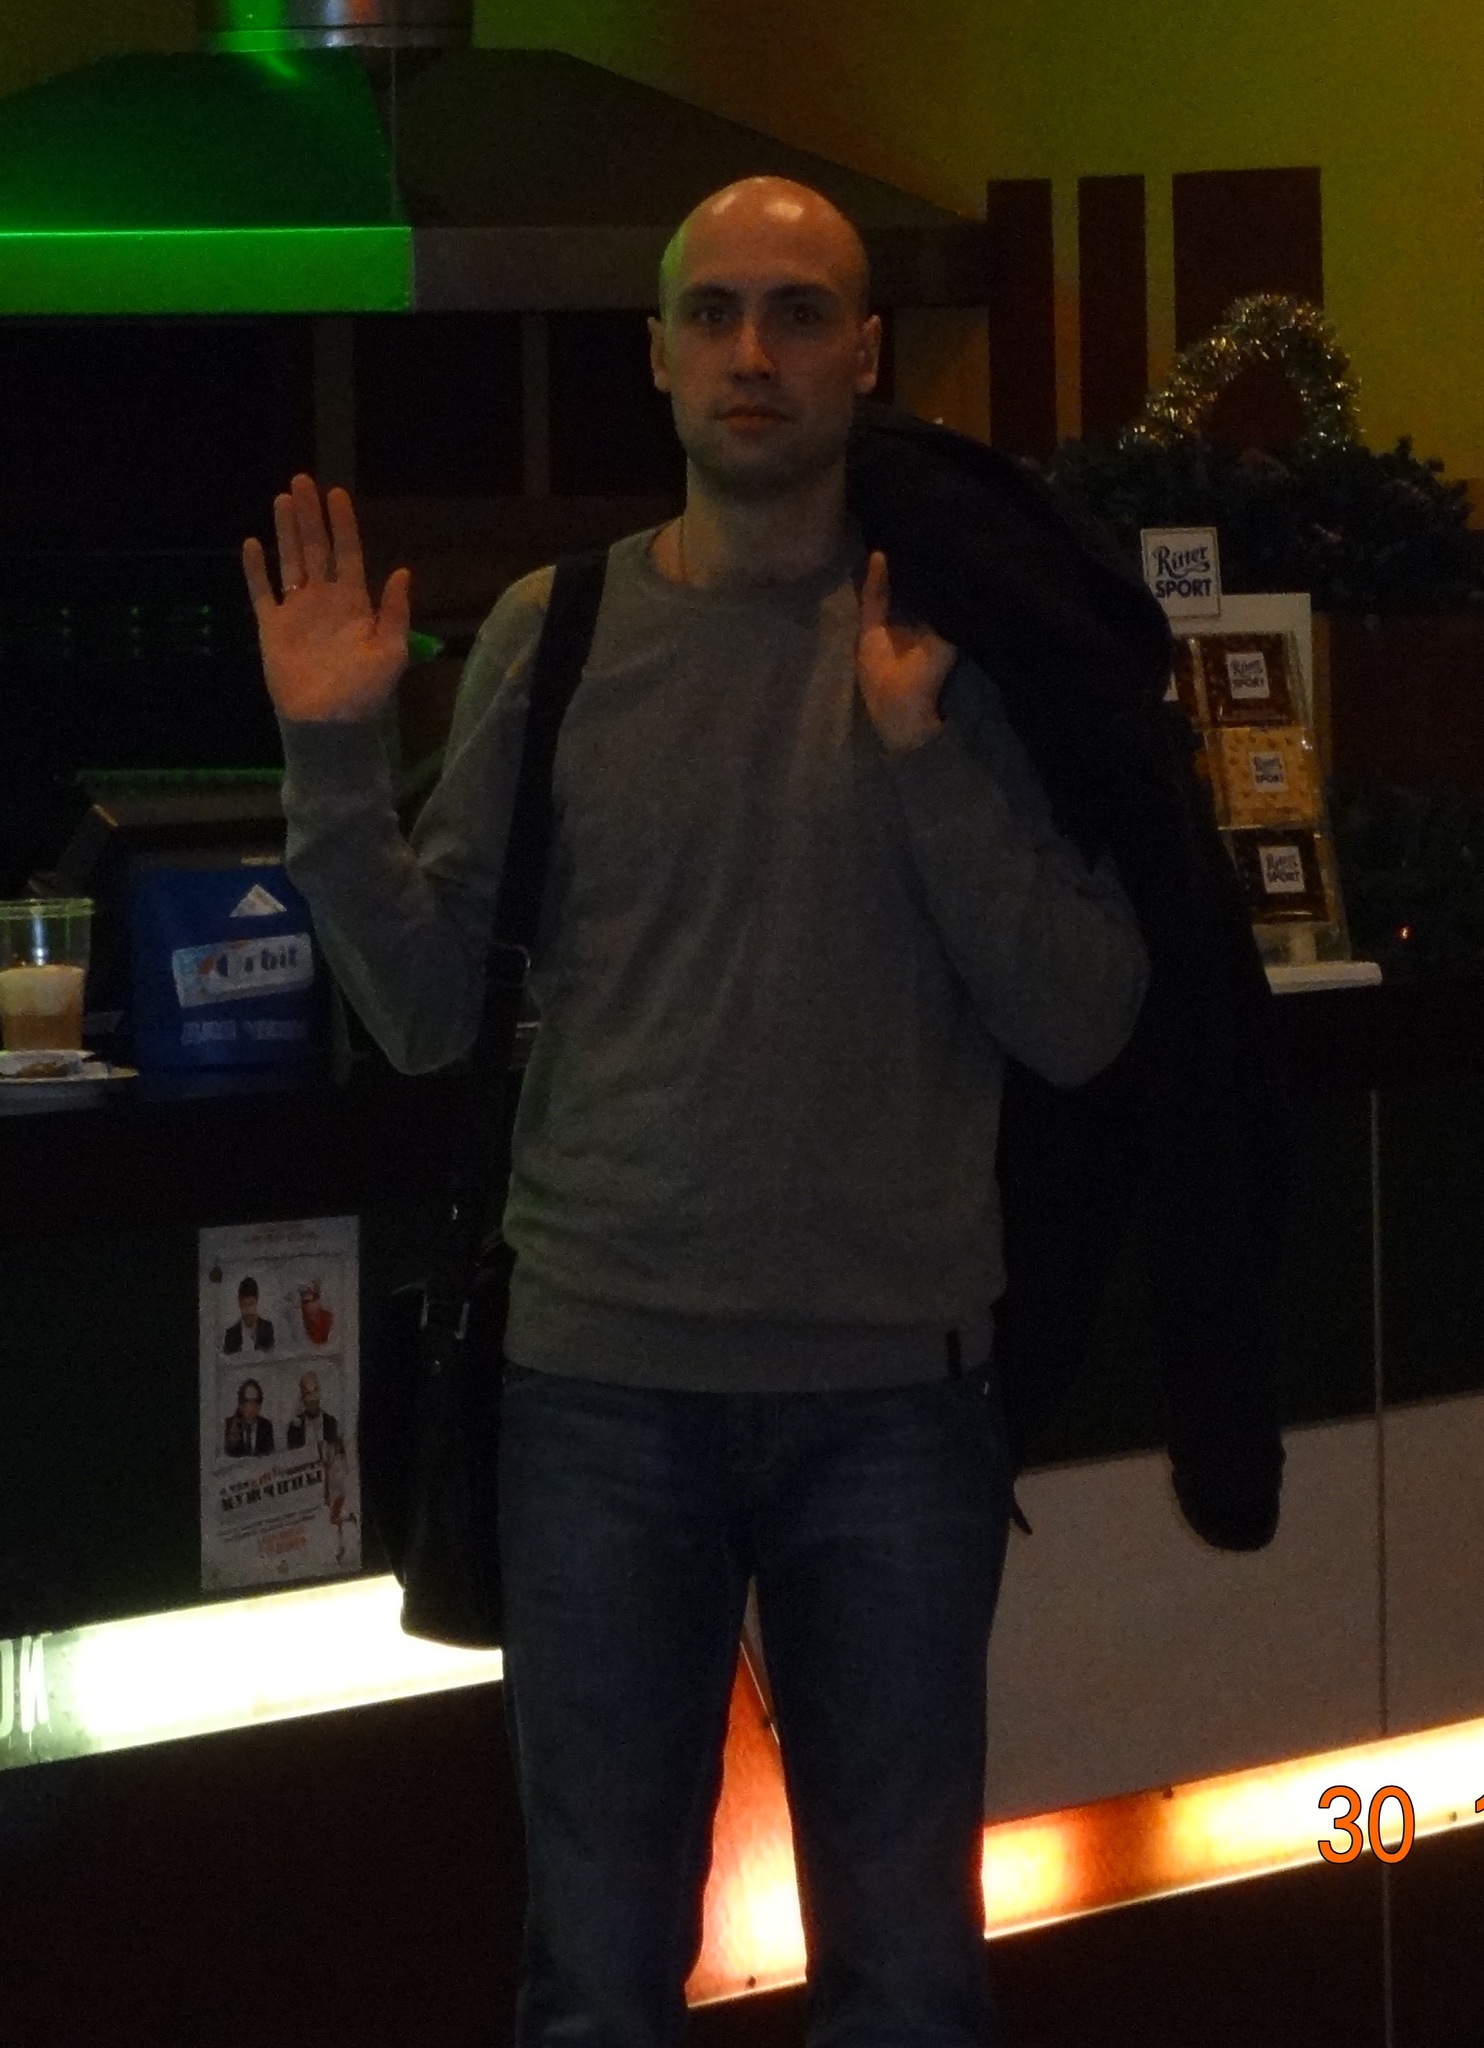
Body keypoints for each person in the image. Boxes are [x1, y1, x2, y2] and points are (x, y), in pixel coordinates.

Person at [245, 176, 1149, 2047]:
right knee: (595, 1982)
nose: (755, 350)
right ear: (654, 356)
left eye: (799, 312)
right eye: (716, 312)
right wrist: (332, 755)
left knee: (907, 1982)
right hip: (598, 1392)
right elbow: (424, 1013)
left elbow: (1082, 1018)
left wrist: (920, 758)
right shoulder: (556, 633)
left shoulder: (963, 636)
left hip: (895, 1396)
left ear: (864, 356)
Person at [286, 1370, 339, 1451]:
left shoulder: (331, 1422)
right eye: (307, 1393)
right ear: (302, 1397)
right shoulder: (295, 1427)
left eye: (315, 1391)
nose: (312, 1398)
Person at [223, 1378, 274, 1459]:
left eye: (255, 1401)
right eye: (247, 1401)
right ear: (240, 1404)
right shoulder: (230, 1425)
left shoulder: (266, 1426)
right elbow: (227, 1456)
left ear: (260, 1406)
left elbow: (269, 1455)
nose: (251, 1406)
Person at [222, 1277, 274, 1353]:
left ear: (257, 1301)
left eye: (251, 1304)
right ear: (239, 1303)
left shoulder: (267, 1329)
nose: (248, 1310)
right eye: (244, 1304)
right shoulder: (231, 1334)